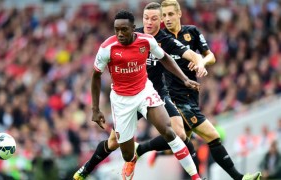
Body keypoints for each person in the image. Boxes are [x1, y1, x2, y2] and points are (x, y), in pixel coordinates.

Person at [73, 3, 207, 180]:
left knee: (170, 132)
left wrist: (185, 79)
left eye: (124, 30)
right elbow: (96, 77)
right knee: (124, 152)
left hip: (146, 92)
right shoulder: (107, 48)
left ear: (133, 29)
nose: (120, 34)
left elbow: (165, 58)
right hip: (122, 100)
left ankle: (196, 177)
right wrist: (95, 109)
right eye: (116, 30)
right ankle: (89, 168)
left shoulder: (146, 41)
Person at [136, 1, 261, 180]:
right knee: (212, 135)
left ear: (179, 14)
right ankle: (239, 177)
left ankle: (141, 149)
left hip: (191, 93)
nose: (167, 19)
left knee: (181, 142)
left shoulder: (191, 32)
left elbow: (210, 55)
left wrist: (201, 62)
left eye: (171, 14)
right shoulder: (159, 38)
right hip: (173, 95)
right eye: (164, 16)